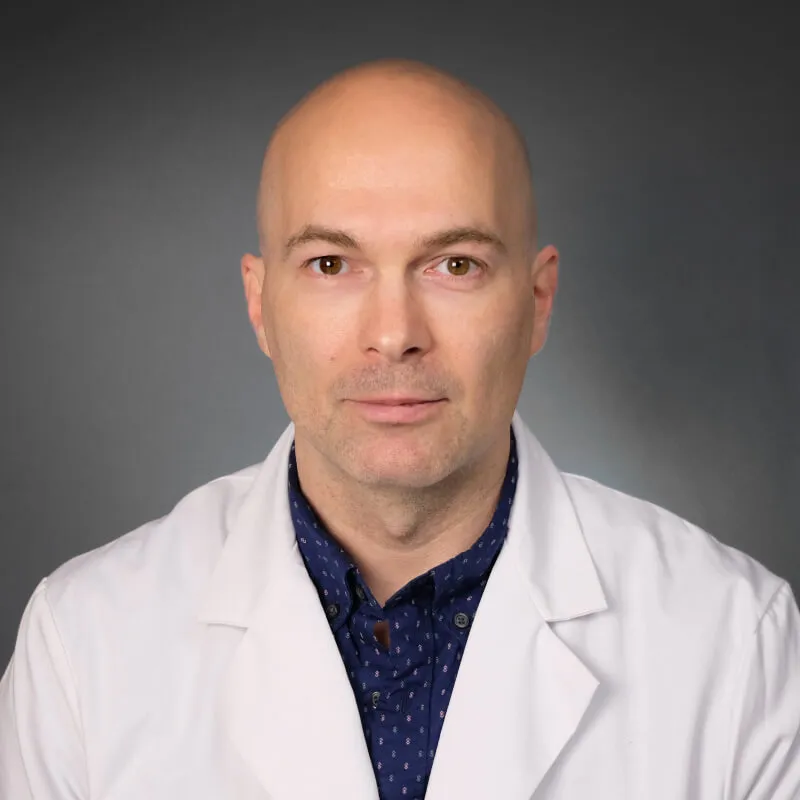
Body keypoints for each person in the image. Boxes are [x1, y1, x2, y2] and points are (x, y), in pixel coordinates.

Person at [1, 57, 798, 800]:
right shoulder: (83, 646)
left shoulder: (737, 642)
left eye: (454, 265)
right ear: (259, 303)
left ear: (537, 300)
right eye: (330, 264)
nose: (393, 333)